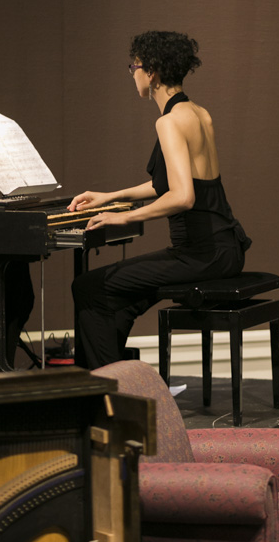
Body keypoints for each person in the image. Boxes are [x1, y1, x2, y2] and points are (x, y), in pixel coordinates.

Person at [69, 30, 251, 369]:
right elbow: (169, 184)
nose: (132, 74)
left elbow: (182, 197)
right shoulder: (199, 113)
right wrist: (110, 197)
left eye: (134, 66)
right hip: (227, 248)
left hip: (199, 255)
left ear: (151, 72)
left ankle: (106, 388)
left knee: (88, 287)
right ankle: (119, 379)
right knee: (119, 296)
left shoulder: (168, 122)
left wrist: (122, 217)